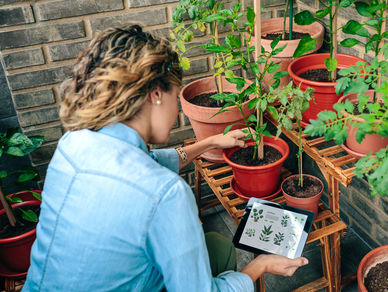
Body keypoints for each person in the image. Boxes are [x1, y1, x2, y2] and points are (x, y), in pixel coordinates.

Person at [23, 24, 308, 291]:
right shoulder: (166, 194)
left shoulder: (72, 143)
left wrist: (208, 142)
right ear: (156, 94)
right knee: (220, 256)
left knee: (217, 247)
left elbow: (148, 164)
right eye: (176, 96)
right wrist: (260, 265)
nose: (180, 110)